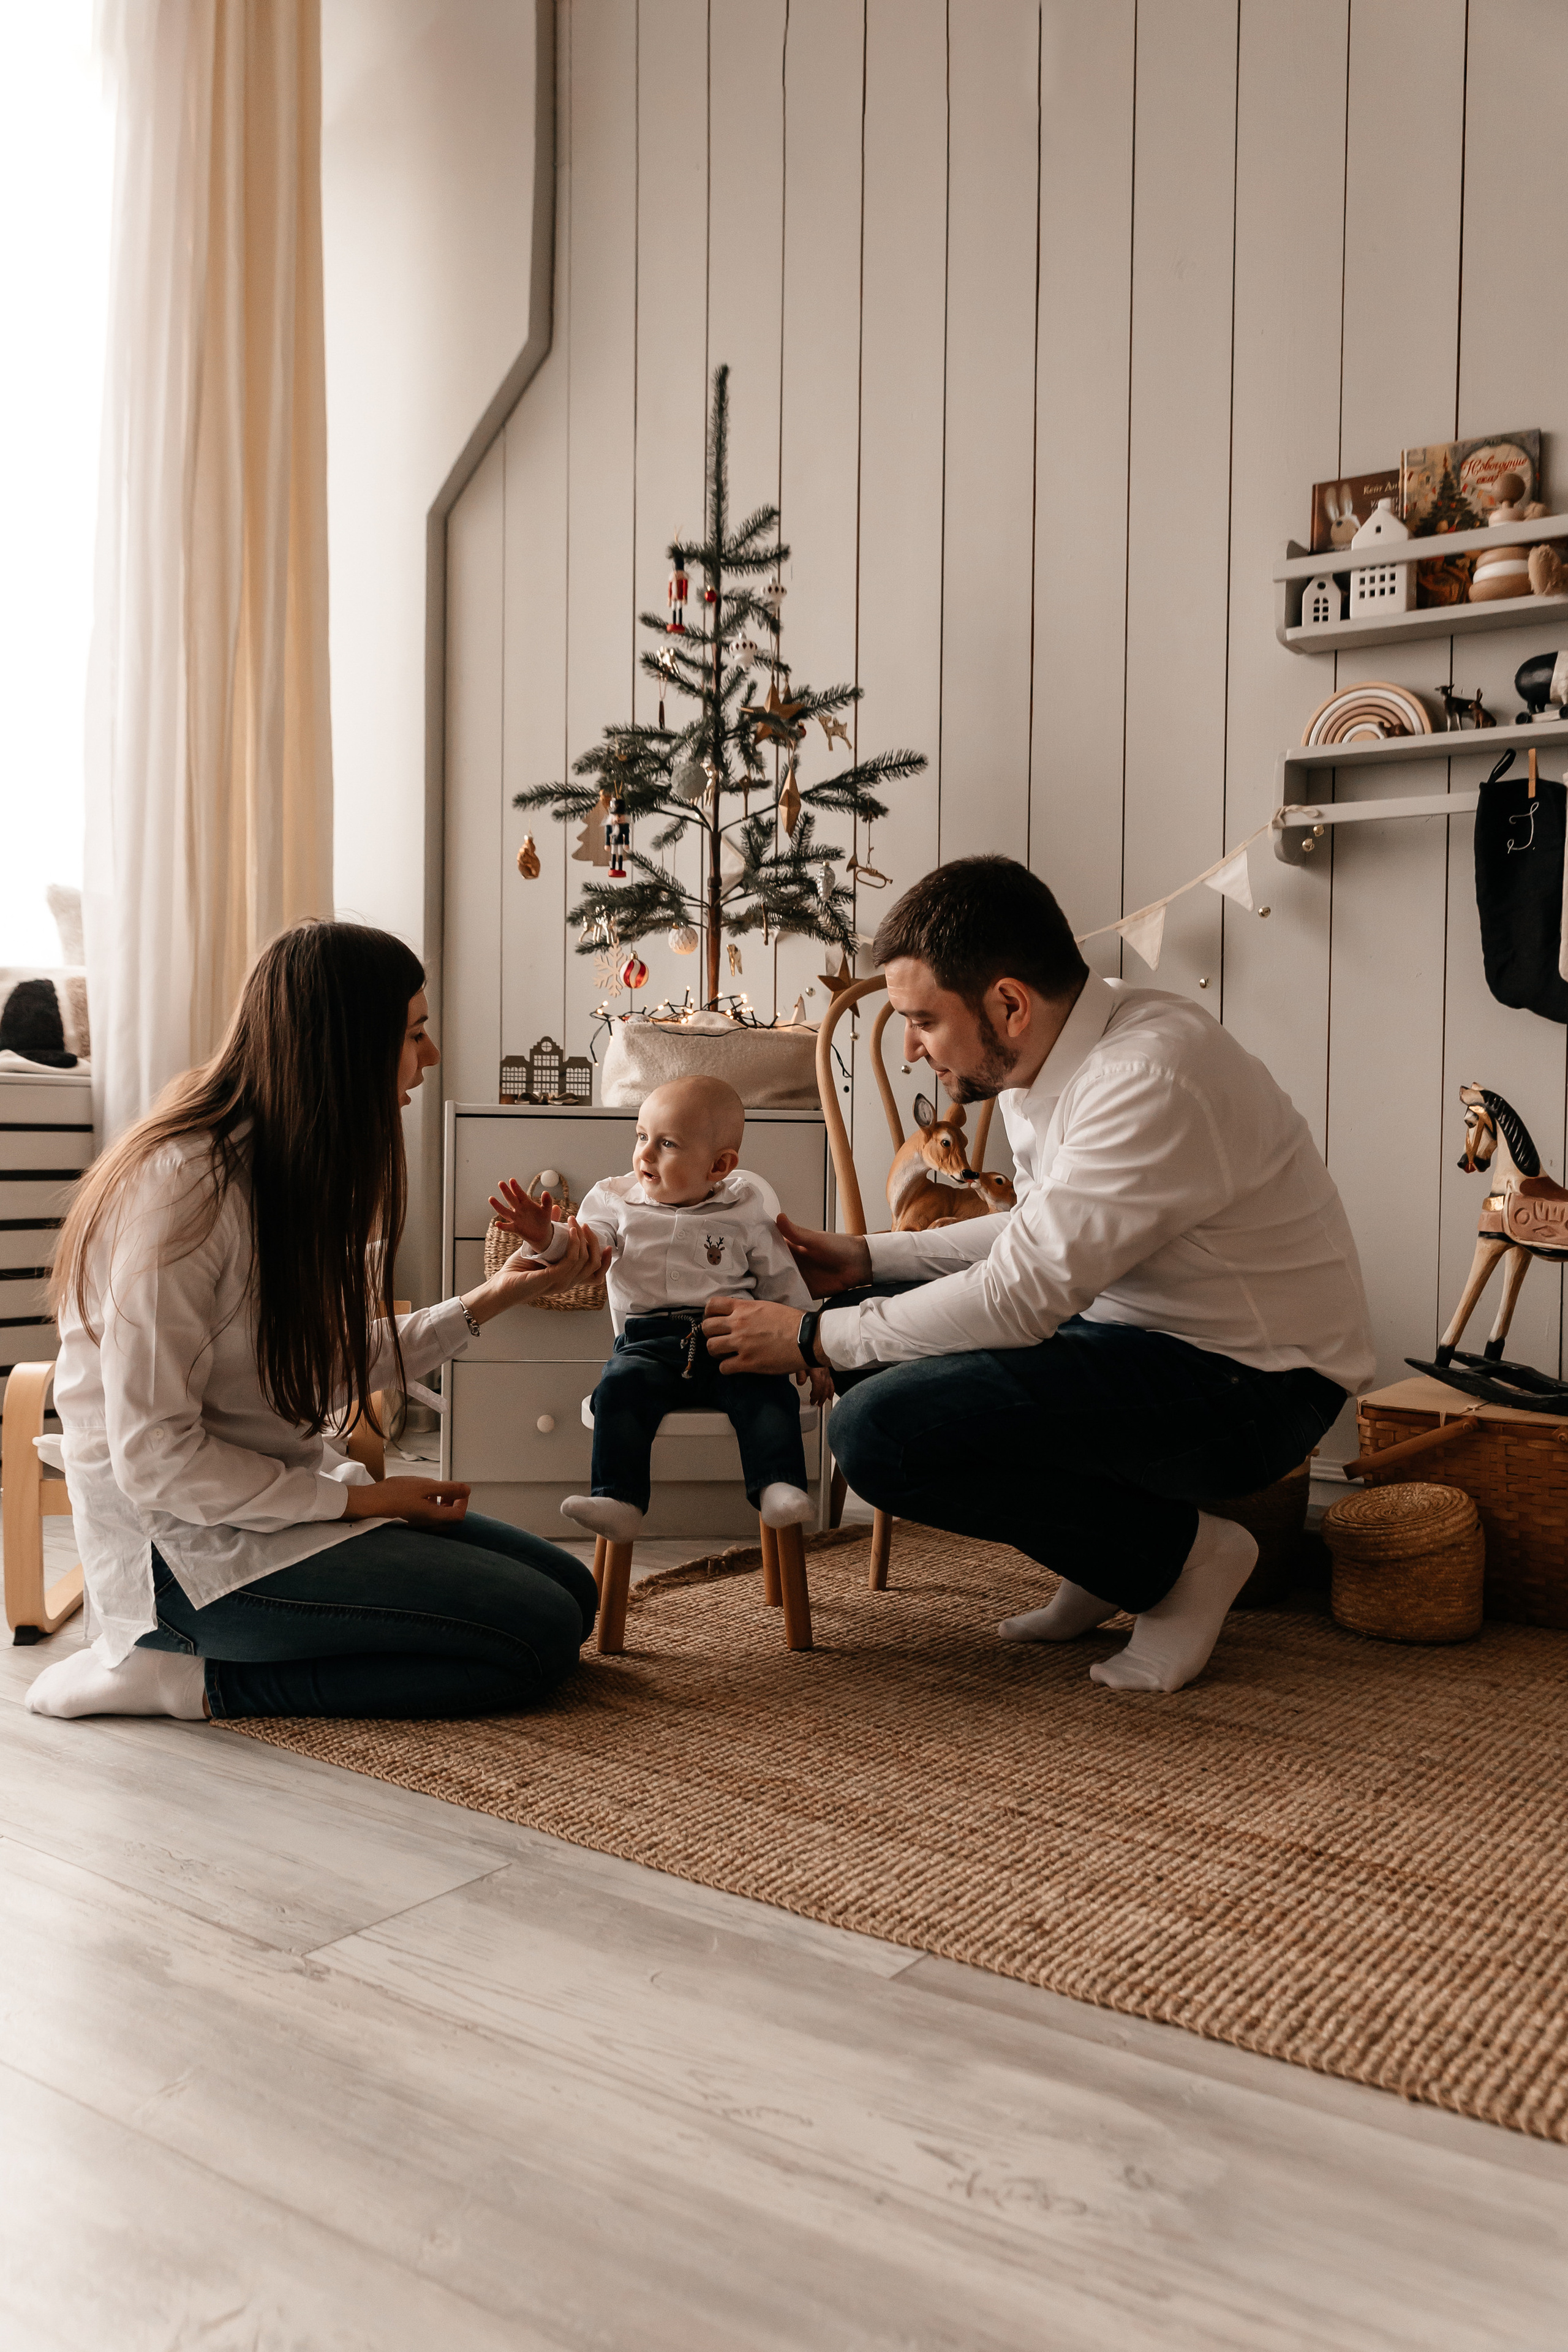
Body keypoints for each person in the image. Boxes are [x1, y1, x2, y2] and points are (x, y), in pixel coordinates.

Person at [701, 856, 1376, 1694]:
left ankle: (1186, 1563)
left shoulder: (1146, 1076)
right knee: (854, 1313)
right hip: (1132, 1332)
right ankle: (1109, 1558)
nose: (910, 1046)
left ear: (1009, 1004)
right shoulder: (1043, 1058)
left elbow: (1020, 1297)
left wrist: (808, 1336)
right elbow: (1040, 1232)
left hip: (1256, 1384)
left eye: (921, 1020)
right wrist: (872, 1257)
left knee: (877, 1431)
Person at [25, 921, 601, 1724]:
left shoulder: (283, 1170)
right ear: (345, 1044)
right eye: (415, 1033)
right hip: (187, 1564)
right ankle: (184, 1680)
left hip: (273, 1509)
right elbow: (155, 1458)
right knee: (534, 1640)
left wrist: (497, 1295)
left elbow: (314, 1366)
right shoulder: (183, 1195)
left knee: (575, 1594)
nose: (430, 1058)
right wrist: (363, 1504)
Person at [489, 1076, 829, 1547]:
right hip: (647, 1343)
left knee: (768, 1396)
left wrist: (809, 1346)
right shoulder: (614, 1200)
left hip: (734, 1337)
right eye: (642, 1136)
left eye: (666, 1144)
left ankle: (778, 1484)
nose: (645, 1155)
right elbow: (585, 1249)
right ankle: (619, 1500)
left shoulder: (745, 1208)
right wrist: (545, 1237)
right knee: (619, 1392)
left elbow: (782, 1281)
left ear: (719, 1166)